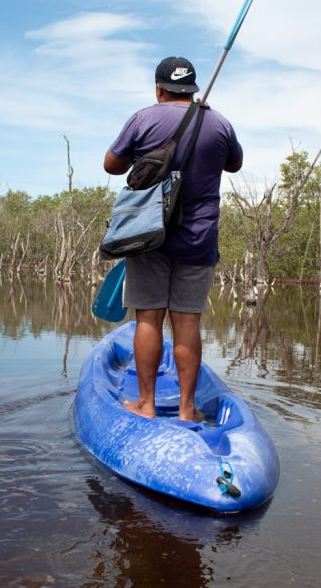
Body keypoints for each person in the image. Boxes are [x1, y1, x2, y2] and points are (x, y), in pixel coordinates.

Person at [103, 56, 243, 421]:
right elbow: (234, 164)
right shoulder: (219, 123)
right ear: (194, 89)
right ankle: (187, 408)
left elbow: (111, 165)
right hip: (199, 239)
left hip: (149, 235)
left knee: (148, 318)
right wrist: (204, 117)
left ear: (159, 89)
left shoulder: (143, 118)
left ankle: (146, 405)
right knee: (187, 322)